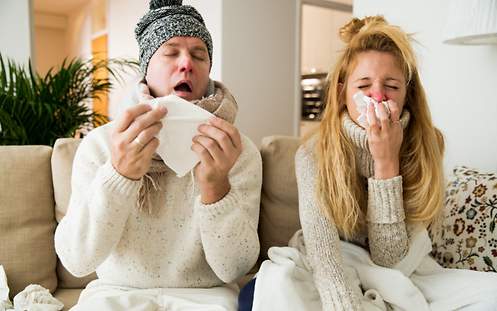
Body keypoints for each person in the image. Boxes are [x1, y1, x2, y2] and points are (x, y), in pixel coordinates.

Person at [242, 16, 497, 311]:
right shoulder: (313, 153)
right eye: (364, 85)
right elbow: (325, 258)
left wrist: (386, 162)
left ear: (407, 96)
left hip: (402, 265)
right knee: (266, 294)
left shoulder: (427, 144)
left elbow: (390, 257)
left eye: (391, 86)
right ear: (342, 93)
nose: (377, 96)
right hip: (332, 260)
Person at [54, 0, 262, 310]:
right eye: (170, 52)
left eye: (199, 55)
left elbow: (234, 269)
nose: (186, 64)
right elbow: (76, 260)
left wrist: (216, 188)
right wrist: (119, 175)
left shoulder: (235, 150)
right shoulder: (101, 144)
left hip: (208, 297)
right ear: (146, 67)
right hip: (114, 293)